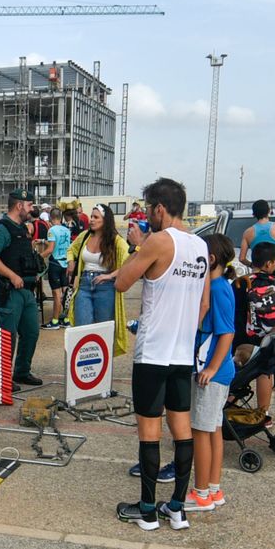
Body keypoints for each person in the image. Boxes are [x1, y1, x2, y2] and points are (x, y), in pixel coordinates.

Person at [115, 177, 209, 530]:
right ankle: (178, 507)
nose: (146, 217)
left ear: (159, 208)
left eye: (147, 210)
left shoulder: (157, 241)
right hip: (182, 352)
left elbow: (123, 282)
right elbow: (204, 303)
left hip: (154, 351)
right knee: (182, 429)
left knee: (149, 432)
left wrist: (138, 246)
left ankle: (147, 509)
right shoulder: (200, 245)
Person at [188, 234, 236, 514]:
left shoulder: (217, 289)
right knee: (213, 429)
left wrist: (212, 368)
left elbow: (226, 332)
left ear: (211, 259)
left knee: (200, 431)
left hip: (211, 373)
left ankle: (201, 493)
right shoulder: (221, 286)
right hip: (217, 372)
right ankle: (213, 488)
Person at [0, 188, 44, 389]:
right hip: (9, 292)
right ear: (19, 206)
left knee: (31, 333)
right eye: (29, 205)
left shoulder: (23, 229)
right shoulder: (2, 229)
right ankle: (2, 379)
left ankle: (21, 372)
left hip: (27, 290)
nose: (32, 209)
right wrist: (12, 275)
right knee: (7, 337)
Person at [234, 243, 275, 418]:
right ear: (268, 264)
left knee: (237, 374)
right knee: (265, 373)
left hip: (242, 338)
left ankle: (226, 409)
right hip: (269, 339)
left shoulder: (241, 282)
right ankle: (263, 414)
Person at [65, 203, 130, 352]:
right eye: (91, 217)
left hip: (106, 287)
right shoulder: (85, 236)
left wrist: (110, 275)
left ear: (105, 220)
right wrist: (71, 261)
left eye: (96, 217)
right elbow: (71, 249)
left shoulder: (116, 241)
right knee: (82, 329)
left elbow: (129, 261)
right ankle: (84, 361)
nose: (92, 220)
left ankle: (102, 364)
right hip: (84, 285)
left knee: (103, 331)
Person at [43, 210, 74, 329]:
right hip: (65, 263)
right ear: (61, 218)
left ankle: (55, 321)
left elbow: (51, 249)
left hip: (55, 263)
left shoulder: (51, 230)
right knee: (66, 293)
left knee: (56, 294)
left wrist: (38, 257)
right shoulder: (67, 230)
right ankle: (66, 319)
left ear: (51, 218)